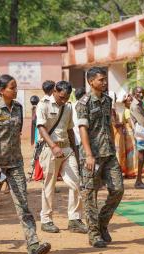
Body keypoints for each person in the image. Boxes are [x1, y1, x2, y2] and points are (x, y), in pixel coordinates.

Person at [0, 74, 50, 254]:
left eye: (15, 87)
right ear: (1, 91)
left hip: (15, 164)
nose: (16, 90)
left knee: (22, 204)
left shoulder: (18, 108)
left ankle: (33, 245)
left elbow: (16, 134)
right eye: (12, 87)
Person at [76, 66, 124, 248]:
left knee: (118, 189)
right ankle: (94, 234)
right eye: (101, 80)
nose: (104, 82)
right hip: (92, 156)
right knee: (90, 195)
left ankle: (102, 223)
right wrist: (88, 155)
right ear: (90, 82)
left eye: (105, 79)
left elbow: (108, 126)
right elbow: (83, 129)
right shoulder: (83, 103)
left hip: (109, 153)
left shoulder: (107, 100)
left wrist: (113, 146)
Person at [37, 80, 87, 234]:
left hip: (66, 149)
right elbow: (41, 128)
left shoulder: (68, 107)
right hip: (49, 149)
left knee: (76, 182)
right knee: (49, 185)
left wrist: (75, 151)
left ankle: (74, 219)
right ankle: (46, 220)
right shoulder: (43, 104)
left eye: (66, 98)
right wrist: (53, 146)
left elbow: (70, 129)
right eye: (61, 97)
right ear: (55, 92)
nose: (63, 100)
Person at [129, 87, 144, 189]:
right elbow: (143, 122)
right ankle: (138, 181)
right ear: (134, 93)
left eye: (142, 92)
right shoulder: (135, 105)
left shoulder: (140, 104)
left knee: (143, 155)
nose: (141, 94)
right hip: (140, 132)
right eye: (138, 92)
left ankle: (139, 180)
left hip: (143, 132)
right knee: (141, 155)